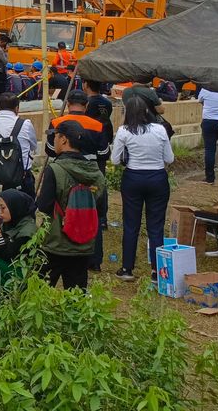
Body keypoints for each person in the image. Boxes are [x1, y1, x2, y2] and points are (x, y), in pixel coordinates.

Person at [36, 119, 107, 290]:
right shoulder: (96, 173)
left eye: (56, 137)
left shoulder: (55, 169)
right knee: (76, 297)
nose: (54, 141)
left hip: (55, 243)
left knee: (40, 292)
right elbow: (102, 209)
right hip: (83, 245)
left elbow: (44, 205)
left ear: (64, 140)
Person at [110, 95, 175, 282]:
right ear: (148, 111)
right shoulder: (160, 130)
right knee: (156, 226)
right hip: (157, 178)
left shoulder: (124, 131)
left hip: (133, 178)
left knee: (131, 224)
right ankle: (157, 272)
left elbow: (115, 160)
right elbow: (169, 159)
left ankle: (127, 268)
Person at [47, 90, 108, 270]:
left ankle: (63, 249)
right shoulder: (97, 125)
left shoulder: (57, 123)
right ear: (86, 105)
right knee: (91, 213)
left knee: (63, 212)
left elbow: (50, 150)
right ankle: (94, 260)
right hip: (89, 171)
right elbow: (104, 153)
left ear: (67, 104)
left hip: (63, 171)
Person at [0, 93, 38, 210]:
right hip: (21, 173)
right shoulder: (26, 124)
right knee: (26, 204)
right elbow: (33, 147)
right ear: (17, 108)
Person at [0, 189, 38, 282]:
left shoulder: (28, 231)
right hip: (8, 267)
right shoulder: (9, 223)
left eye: (3, 208)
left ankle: (4, 290)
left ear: (15, 207)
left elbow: (7, 255)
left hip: (20, 274)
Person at [197, 87, 218, 184]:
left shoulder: (206, 89)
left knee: (209, 150)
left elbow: (200, 101)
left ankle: (210, 178)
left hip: (209, 121)